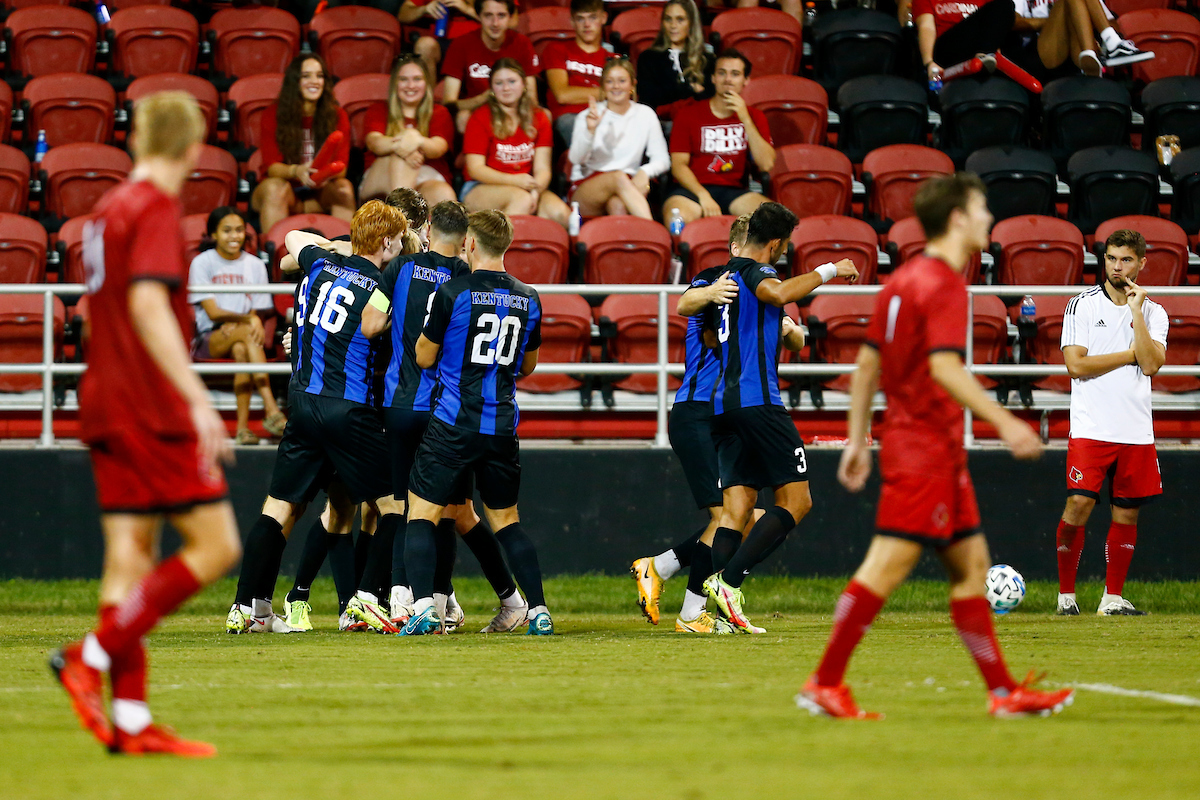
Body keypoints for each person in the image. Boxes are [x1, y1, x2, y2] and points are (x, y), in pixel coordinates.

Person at [797, 173, 1075, 720]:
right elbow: (943, 366)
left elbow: (868, 366)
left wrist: (858, 439)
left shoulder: (901, 281)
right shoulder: (945, 283)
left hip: (923, 446)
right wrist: (1006, 421)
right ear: (956, 218)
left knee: (972, 569)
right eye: (980, 208)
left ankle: (1003, 694)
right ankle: (824, 682)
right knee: (885, 566)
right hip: (925, 449)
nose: (988, 219)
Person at [50, 92, 240, 757]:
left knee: (129, 557)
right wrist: (194, 396)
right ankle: (90, 656)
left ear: (134, 141)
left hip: (103, 398)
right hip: (147, 404)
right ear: (193, 152)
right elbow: (148, 305)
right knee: (218, 547)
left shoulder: (103, 213)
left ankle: (130, 722)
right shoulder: (156, 208)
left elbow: (99, 313)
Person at [225, 201, 408, 635]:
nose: (400, 246)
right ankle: (365, 599)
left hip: (302, 404)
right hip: (348, 408)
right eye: (397, 240)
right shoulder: (381, 283)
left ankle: (245, 608)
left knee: (279, 508)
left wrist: (334, 247)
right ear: (386, 241)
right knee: (393, 506)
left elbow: (292, 240)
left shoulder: (320, 264)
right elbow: (369, 327)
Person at [698, 203, 857, 634]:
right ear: (775, 244)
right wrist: (831, 269)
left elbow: (713, 336)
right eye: (785, 245)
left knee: (737, 508)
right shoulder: (756, 272)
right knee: (797, 501)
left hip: (723, 404)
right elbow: (778, 293)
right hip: (760, 402)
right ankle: (729, 584)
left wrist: (768, 331)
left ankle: (721, 616)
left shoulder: (724, 278)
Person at [378, 200, 532, 633]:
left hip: (403, 401)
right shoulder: (470, 280)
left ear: (428, 228)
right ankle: (465, 600)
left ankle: (406, 601)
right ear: (466, 239)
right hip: (452, 411)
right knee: (457, 512)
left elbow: (372, 322)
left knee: (405, 507)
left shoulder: (402, 269)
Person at [1054, 228, 1167, 616]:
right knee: (1078, 505)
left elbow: (1151, 364)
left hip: (1136, 431)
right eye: (1112, 259)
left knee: (1127, 513)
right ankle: (1066, 596)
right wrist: (1129, 354)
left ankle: (1112, 598)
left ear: (1141, 263)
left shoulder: (1154, 312)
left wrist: (1136, 312)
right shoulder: (1081, 305)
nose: (1118, 267)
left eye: (1126, 260)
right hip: (1092, 428)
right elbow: (1076, 365)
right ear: (1103, 261)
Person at [188, 206, 286, 445]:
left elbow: (256, 307)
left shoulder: (254, 264)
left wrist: (245, 322)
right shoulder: (202, 262)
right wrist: (245, 320)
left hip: (240, 336)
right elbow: (212, 312)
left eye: (239, 230)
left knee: (242, 348)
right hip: (209, 337)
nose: (234, 236)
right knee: (247, 334)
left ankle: (242, 429)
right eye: (227, 231)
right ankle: (271, 408)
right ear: (213, 234)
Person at [662, 49, 774, 224]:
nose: (728, 79)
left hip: (734, 191)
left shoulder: (755, 116)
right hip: (692, 190)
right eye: (722, 73)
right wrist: (703, 195)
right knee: (676, 219)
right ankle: (681, 251)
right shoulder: (688, 114)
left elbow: (766, 163)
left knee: (775, 220)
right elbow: (678, 166)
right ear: (713, 78)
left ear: (746, 81)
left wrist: (744, 118)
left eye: (735, 74)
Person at [252, 54, 354, 237]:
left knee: (344, 188)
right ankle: (274, 257)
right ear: (294, 81)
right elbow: (272, 168)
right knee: (275, 188)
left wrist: (319, 175)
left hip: (320, 191)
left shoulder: (338, 115)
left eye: (319, 75)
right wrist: (297, 171)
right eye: (306, 76)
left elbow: (342, 168)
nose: (314, 81)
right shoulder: (273, 114)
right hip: (287, 190)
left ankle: (345, 255)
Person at [461, 58, 570, 227]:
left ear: (523, 84)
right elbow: (475, 169)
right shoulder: (480, 117)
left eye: (512, 81)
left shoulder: (539, 117)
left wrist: (536, 191)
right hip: (481, 186)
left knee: (560, 214)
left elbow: (543, 169)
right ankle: (497, 252)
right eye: (499, 83)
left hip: (527, 186)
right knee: (522, 200)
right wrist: (515, 182)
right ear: (491, 88)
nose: (506, 88)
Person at [567, 58, 670, 220]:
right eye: (610, 81)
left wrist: (644, 172)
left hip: (627, 186)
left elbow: (663, 159)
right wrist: (590, 131)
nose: (616, 86)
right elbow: (575, 158)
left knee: (618, 205)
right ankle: (654, 232)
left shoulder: (645, 114)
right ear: (603, 85)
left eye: (622, 81)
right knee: (617, 177)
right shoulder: (588, 116)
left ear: (632, 85)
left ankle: (627, 243)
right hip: (587, 187)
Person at [359, 54, 458, 208]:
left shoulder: (439, 112)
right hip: (381, 176)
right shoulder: (378, 110)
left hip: (427, 176)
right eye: (403, 79)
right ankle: (402, 222)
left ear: (426, 83)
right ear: (395, 83)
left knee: (444, 194)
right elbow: (375, 143)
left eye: (417, 79)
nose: (410, 85)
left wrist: (416, 139)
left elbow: (438, 148)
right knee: (401, 159)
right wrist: (404, 145)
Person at [441, 0, 541, 133]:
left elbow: (532, 99)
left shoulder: (522, 43)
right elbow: (448, 104)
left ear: (510, 18)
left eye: (501, 16)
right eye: (488, 15)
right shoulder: (461, 44)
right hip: (478, 112)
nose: (495, 23)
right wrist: (484, 98)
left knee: (543, 115)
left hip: (514, 110)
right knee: (463, 117)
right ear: (479, 16)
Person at [1007, 0, 1153, 79]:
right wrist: (1062, 19)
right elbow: (1013, 21)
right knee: (1071, 9)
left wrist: (1081, 20)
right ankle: (1112, 46)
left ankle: (1095, 53)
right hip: (1043, 53)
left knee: (1077, 12)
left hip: (1078, 52)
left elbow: (1113, 23)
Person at [543, 0, 611, 145]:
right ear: (572, 21)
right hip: (570, 117)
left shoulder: (612, 59)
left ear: (603, 18)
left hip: (607, 117)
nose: (587, 24)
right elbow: (562, 95)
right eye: (580, 18)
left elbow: (628, 96)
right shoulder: (556, 50)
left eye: (592, 18)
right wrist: (606, 93)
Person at [637, 0, 715, 123]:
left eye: (680, 20)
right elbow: (648, 100)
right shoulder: (648, 58)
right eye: (668, 19)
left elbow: (711, 100)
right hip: (661, 125)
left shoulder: (707, 60)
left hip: (700, 123)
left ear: (691, 23)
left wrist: (671, 91)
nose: (673, 25)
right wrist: (691, 89)